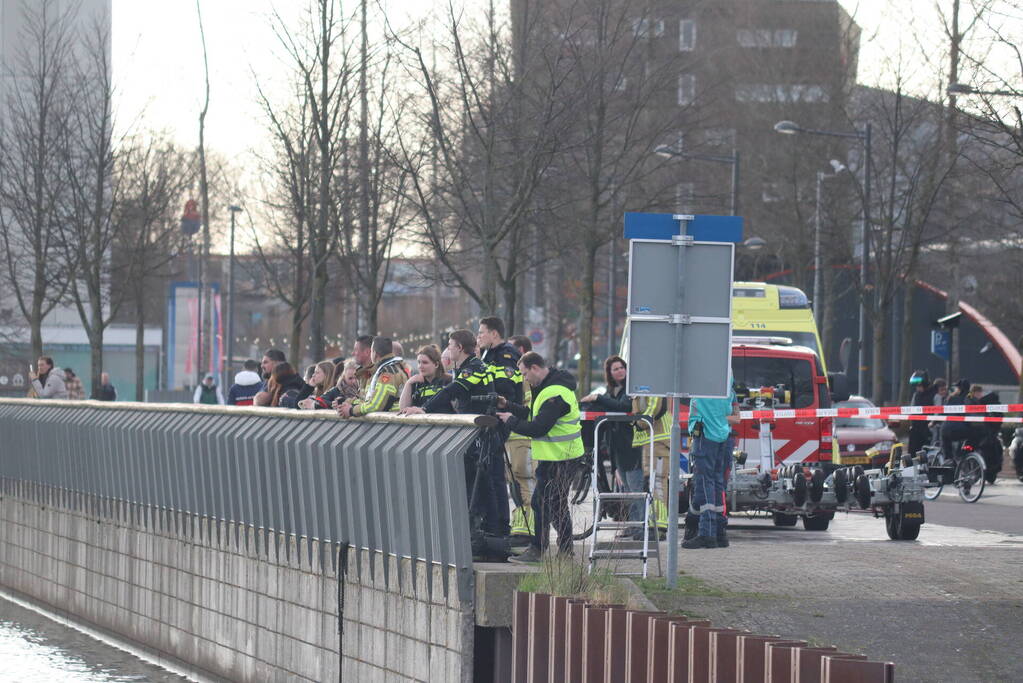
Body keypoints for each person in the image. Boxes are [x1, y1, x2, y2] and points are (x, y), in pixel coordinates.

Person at [419, 330, 509, 538]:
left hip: (484, 433)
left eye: (450, 344)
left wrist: (424, 409)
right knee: (477, 481)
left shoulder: (474, 367)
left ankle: (494, 531)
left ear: (459, 348)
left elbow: (453, 391)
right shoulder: (464, 367)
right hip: (475, 433)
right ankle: (483, 529)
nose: (448, 348)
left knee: (487, 482)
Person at [498, 351, 584, 563]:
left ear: (535, 368)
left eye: (525, 374)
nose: (524, 379)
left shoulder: (555, 393)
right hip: (555, 457)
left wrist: (510, 421)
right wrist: (508, 406)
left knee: (549, 504)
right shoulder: (546, 388)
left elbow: (538, 427)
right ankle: (559, 550)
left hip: (562, 458)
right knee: (550, 504)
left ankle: (542, 550)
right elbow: (532, 414)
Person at [478, 317, 531, 537]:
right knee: (489, 472)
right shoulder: (487, 354)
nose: (479, 336)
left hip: (500, 420)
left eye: (482, 332)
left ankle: (501, 525)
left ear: (494, 334)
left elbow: (506, 388)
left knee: (497, 474)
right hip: (490, 420)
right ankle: (493, 523)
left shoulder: (507, 355)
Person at [581, 356, 640, 536]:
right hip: (618, 450)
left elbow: (623, 407)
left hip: (632, 447)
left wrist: (598, 397)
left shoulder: (630, 390)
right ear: (609, 373)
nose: (620, 371)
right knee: (627, 490)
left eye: (622, 367)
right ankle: (632, 525)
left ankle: (639, 527)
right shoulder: (612, 392)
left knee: (635, 489)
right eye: (615, 369)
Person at [683, 380, 739, 549]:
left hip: (705, 436)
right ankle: (719, 532)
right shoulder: (728, 390)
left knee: (705, 483)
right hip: (722, 436)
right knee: (716, 484)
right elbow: (735, 416)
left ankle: (706, 533)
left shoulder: (703, 387)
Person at [337, 336, 409, 417]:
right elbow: (367, 400)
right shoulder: (383, 371)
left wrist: (351, 411)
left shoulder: (387, 373)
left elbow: (377, 405)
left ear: (375, 353)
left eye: (371, 351)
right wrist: (348, 402)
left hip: (391, 424)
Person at [398, 345, 452, 412]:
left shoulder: (449, 381)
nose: (420, 366)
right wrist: (408, 383)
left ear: (436, 364)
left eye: (425, 362)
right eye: (419, 362)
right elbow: (403, 409)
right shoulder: (415, 383)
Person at [907, 370, 937, 456]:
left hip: (928, 428)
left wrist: (932, 423)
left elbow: (937, 411)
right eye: (916, 386)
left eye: (919, 386)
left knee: (926, 452)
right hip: (916, 428)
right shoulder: (916, 395)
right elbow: (911, 410)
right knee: (913, 452)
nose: (917, 388)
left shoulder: (934, 395)